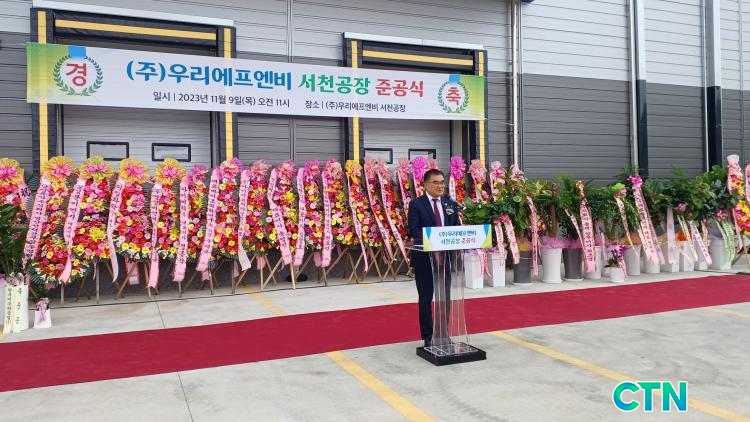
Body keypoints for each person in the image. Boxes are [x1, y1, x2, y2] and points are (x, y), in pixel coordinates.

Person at [407, 168, 461, 348]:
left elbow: (456, 227)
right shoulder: (416, 204)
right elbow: (413, 230)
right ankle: (428, 335)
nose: (440, 186)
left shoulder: (449, 203)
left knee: (444, 297)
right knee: (426, 298)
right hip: (424, 259)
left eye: (442, 182)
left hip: (445, 259)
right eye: (435, 182)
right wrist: (433, 240)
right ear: (425, 185)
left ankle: (443, 333)